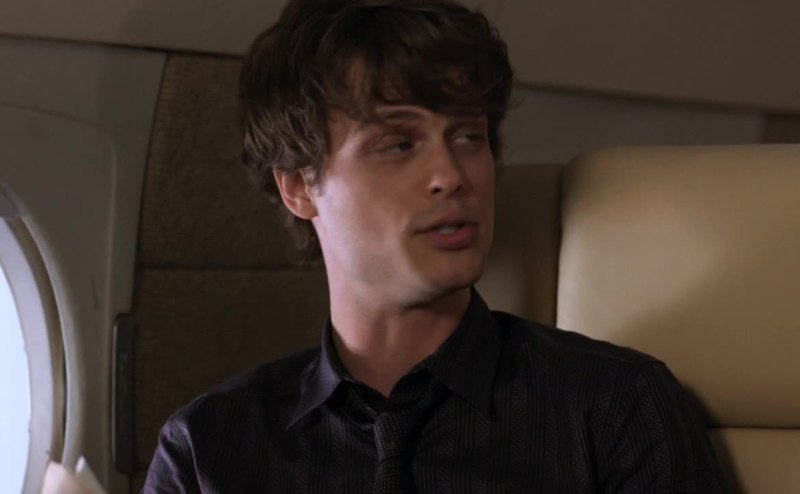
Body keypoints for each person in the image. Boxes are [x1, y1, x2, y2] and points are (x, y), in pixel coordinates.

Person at [144, 0, 725, 492]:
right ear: (299, 186)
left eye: (468, 136)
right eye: (399, 145)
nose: (451, 174)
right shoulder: (208, 447)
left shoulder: (614, 407)